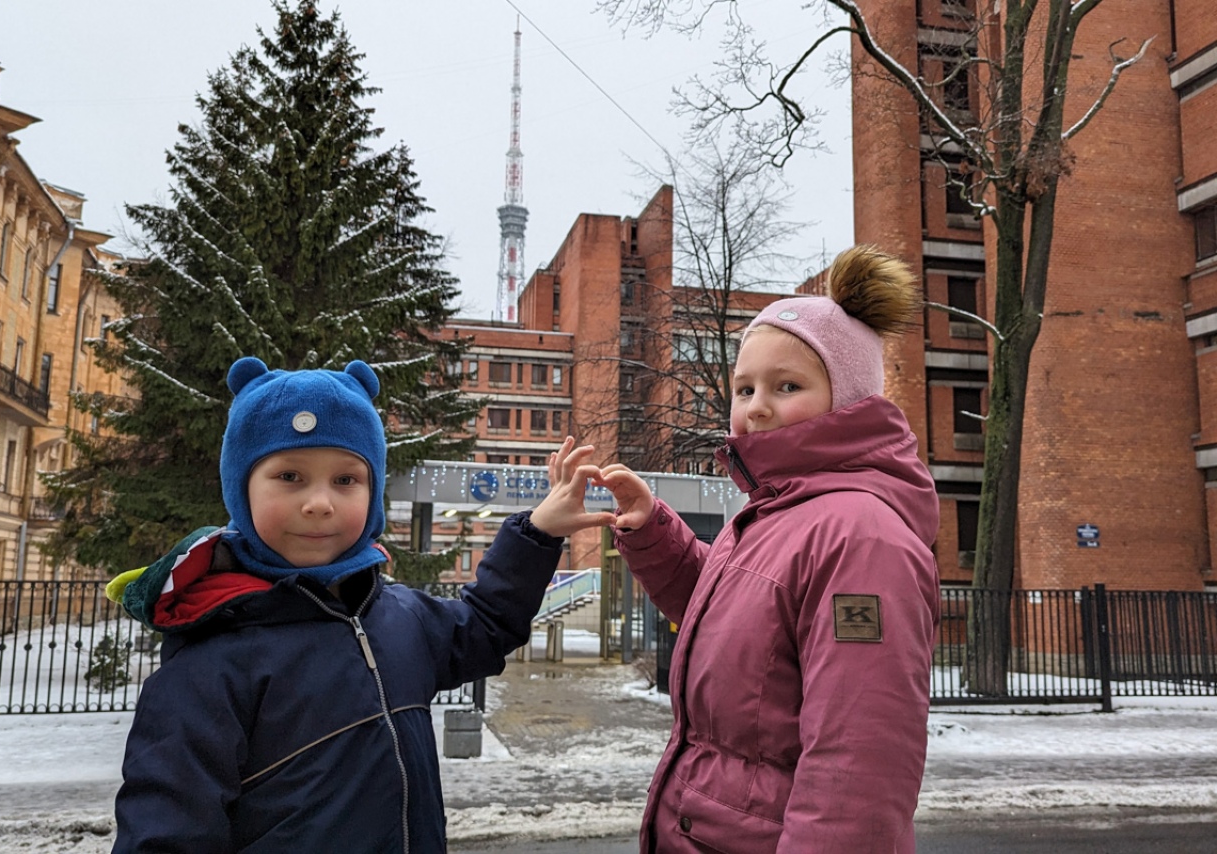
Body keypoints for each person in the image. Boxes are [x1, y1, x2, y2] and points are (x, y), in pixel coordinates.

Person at [106, 356, 613, 854]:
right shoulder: (211, 658)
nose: (320, 502)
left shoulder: (399, 617)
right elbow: (165, 832)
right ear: (241, 490)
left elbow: (484, 626)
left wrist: (538, 531)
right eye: (289, 476)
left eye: (346, 480)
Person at [591, 246, 941, 852]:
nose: (756, 406)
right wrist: (652, 531)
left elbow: (858, 769)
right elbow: (737, 617)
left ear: (850, 397)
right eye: (744, 387)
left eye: (787, 385)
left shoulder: (861, 538)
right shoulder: (773, 511)